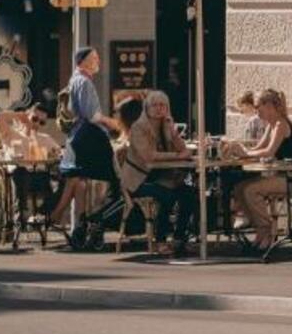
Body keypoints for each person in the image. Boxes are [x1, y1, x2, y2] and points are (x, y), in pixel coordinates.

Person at [53, 47, 118, 248]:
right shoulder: (85, 83)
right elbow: (93, 116)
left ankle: (77, 227)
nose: (98, 61)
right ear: (82, 62)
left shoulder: (74, 80)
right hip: (89, 136)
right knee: (101, 181)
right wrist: (113, 123)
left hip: (77, 136)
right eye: (94, 58)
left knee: (78, 181)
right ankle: (67, 217)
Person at [122, 90, 198, 256]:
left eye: (162, 105)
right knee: (167, 195)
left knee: (190, 194)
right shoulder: (138, 128)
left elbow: (183, 149)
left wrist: (172, 131)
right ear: (147, 108)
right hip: (139, 180)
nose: (158, 109)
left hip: (162, 177)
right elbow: (148, 155)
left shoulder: (167, 125)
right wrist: (178, 156)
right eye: (154, 105)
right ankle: (160, 240)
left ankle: (179, 238)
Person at [228, 88, 292, 255]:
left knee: (250, 190)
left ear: (269, 105)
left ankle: (266, 230)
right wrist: (240, 150)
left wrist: (244, 153)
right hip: (281, 176)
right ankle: (261, 231)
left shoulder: (281, 124)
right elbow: (258, 148)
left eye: (258, 106)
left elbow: (269, 151)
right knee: (239, 189)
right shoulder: (271, 124)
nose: (256, 111)